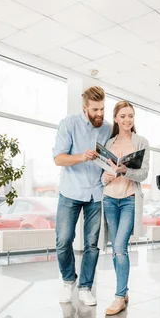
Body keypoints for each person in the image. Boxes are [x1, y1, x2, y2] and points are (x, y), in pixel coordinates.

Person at [53, 86, 111, 306]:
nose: (99, 114)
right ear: (85, 107)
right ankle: (69, 281)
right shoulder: (69, 124)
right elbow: (58, 159)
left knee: (92, 244)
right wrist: (80, 156)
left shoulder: (107, 129)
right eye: (95, 109)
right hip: (71, 191)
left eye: (103, 109)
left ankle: (86, 287)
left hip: (96, 192)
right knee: (63, 240)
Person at [102, 100, 150, 316]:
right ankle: (124, 292)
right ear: (115, 118)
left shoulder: (141, 142)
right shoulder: (108, 142)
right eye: (123, 116)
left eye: (130, 115)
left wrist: (124, 171)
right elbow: (101, 171)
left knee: (120, 246)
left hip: (129, 199)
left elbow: (143, 174)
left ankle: (119, 297)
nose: (127, 120)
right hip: (109, 199)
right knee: (115, 249)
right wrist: (105, 176)